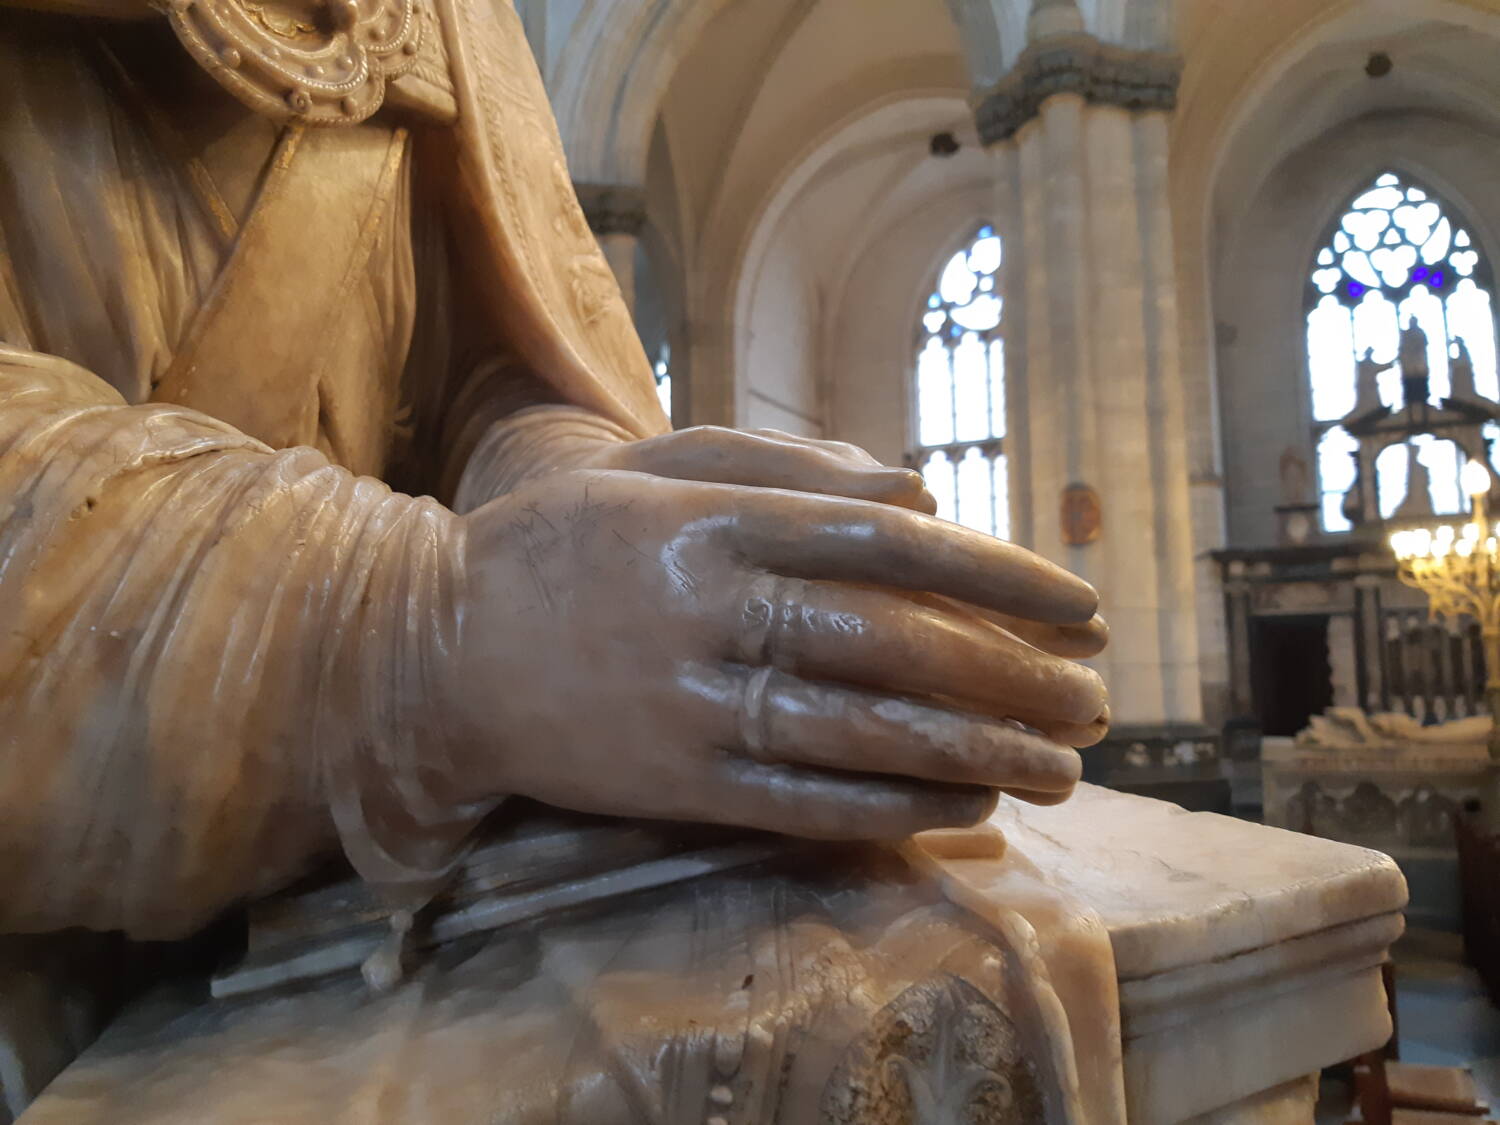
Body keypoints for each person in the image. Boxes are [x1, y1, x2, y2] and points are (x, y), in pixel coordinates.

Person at [0, 0, 1108, 1118]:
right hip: (54, 960)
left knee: (907, 949)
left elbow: (492, 362)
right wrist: (432, 627)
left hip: (364, 898)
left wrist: (581, 490)